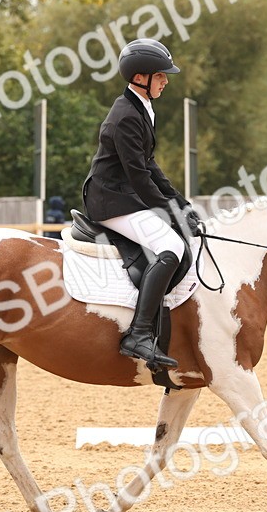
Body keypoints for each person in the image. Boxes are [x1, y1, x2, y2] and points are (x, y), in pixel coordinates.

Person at [81, 38, 201, 370]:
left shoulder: (141, 108)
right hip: (111, 201)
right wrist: (172, 215)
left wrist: (179, 202)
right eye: (161, 75)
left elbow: (150, 167)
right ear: (140, 77)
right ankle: (139, 333)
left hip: (126, 196)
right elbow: (138, 177)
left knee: (174, 240)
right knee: (170, 248)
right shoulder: (126, 116)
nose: (166, 80)